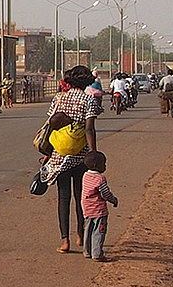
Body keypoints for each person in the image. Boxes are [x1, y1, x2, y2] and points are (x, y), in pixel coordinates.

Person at [42, 66, 100, 253]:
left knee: (63, 197)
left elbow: (51, 126)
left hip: (60, 156)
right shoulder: (89, 100)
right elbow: (89, 129)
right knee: (80, 197)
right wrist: (94, 154)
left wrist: (47, 153)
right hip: (81, 155)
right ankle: (80, 236)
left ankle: (64, 241)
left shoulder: (59, 98)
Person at [80, 151, 119, 261]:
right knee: (99, 231)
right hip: (98, 210)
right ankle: (97, 253)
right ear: (97, 165)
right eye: (104, 163)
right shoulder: (100, 179)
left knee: (88, 229)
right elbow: (105, 194)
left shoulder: (85, 175)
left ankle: (87, 251)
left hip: (87, 208)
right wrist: (114, 200)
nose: (105, 166)